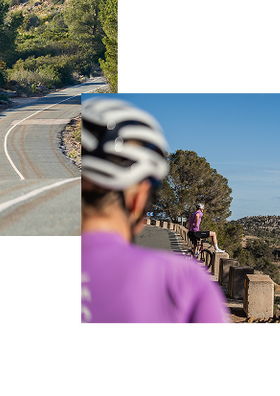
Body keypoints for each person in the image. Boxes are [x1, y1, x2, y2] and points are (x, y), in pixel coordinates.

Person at [80, 97, 230, 326]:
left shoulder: (192, 215)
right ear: (139, 198)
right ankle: (215, 248)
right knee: (208, 237)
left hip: (190, 235)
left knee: (197, 244)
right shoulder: (184, 283)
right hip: (195, 240)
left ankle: (199, 250)